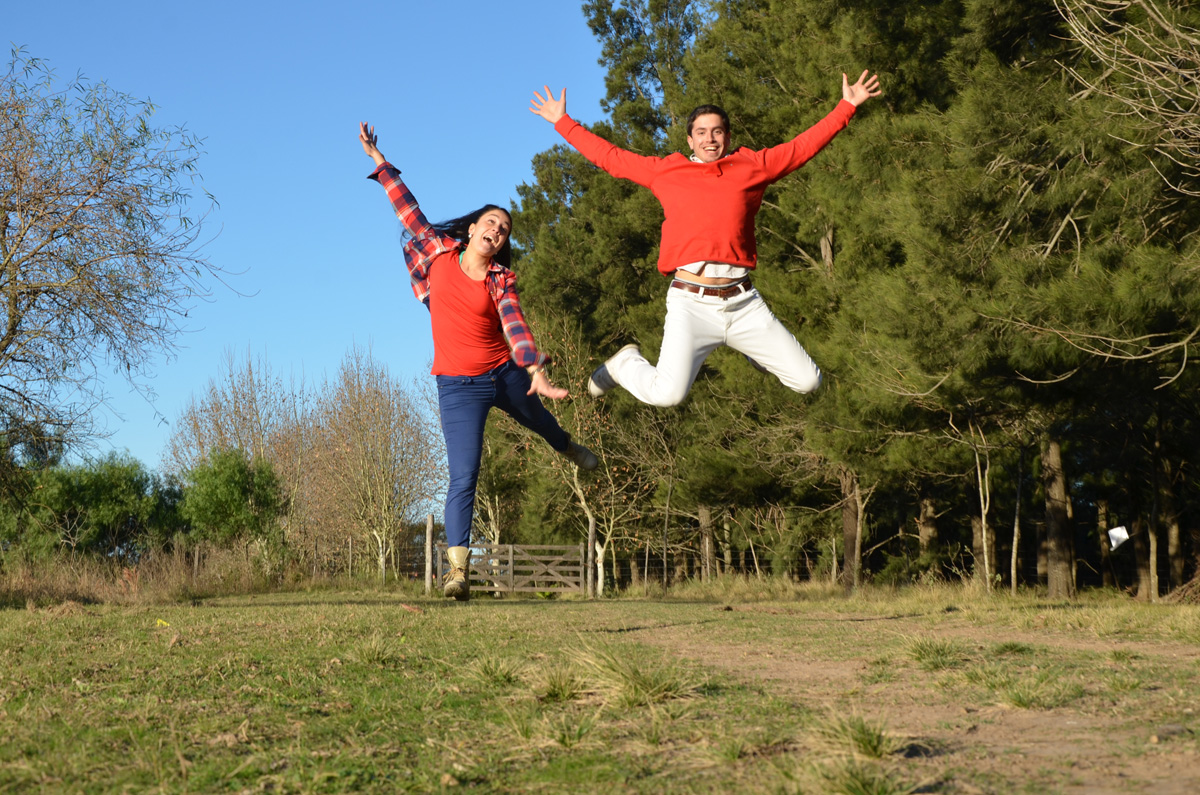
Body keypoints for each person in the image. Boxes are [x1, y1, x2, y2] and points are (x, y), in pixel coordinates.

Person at [529, 72, 882, 406]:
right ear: (689, 139)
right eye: (701, 132)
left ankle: (752, 348)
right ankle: (624, 365)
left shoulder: (751, 166)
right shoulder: (667, 171)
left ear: (727, 136)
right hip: (691, 304)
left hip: (744, 303)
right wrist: (564, 123)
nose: (709, 139)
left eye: (716, 132)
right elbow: (612, 159)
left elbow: (801, 148)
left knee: (808, 381)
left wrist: (846, 107)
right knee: (667, 395)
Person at [359, 122, 597, 602]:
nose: (497, 230)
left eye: (504, 229)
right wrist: (377, 160)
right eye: (491, 222)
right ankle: (458, 572)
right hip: (458, 386)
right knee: (463, 474)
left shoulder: (500, 280)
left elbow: (515, 324)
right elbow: (406, 206)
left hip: (504, 375)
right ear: (471, 229)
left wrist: (535, 371)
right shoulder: (436, 252)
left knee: (543, 425)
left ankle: (568, 446)